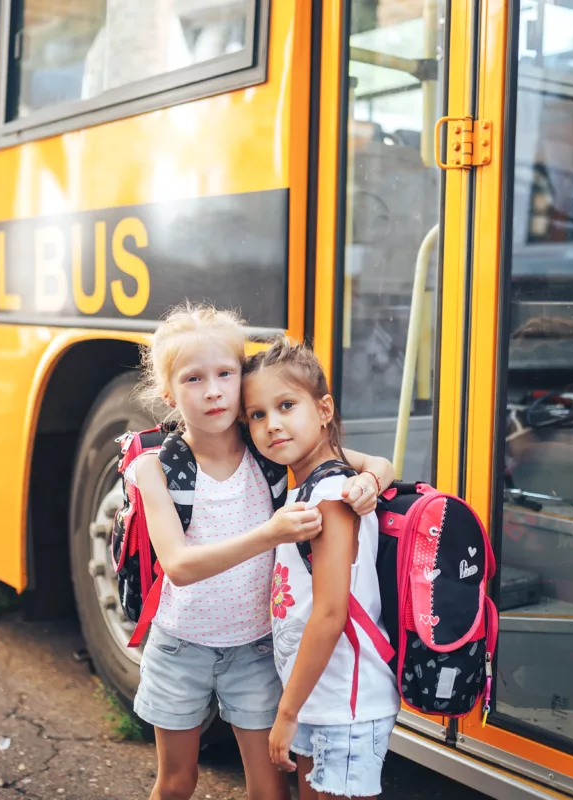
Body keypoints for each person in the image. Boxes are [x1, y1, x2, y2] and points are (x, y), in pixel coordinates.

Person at [128, 304, 395, 800]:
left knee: (269, 788)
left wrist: (370, 482)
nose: (212, 391)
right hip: (179, 645)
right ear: (168, 394)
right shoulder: (154, 468)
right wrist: (269, 534)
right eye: (193, 379)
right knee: (175, 781)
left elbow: (373, 461)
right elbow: (179, 567)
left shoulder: (264, 443)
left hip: (255, 647)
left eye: (225, 374)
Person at [243, 336, 400, 800]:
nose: (273, 424)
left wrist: (286, 712)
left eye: (287, 405)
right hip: (319, 698)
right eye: (257, 415)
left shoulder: (332, 496)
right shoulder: (307, 487)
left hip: (344, 706)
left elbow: (331, 613)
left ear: (324, 409)